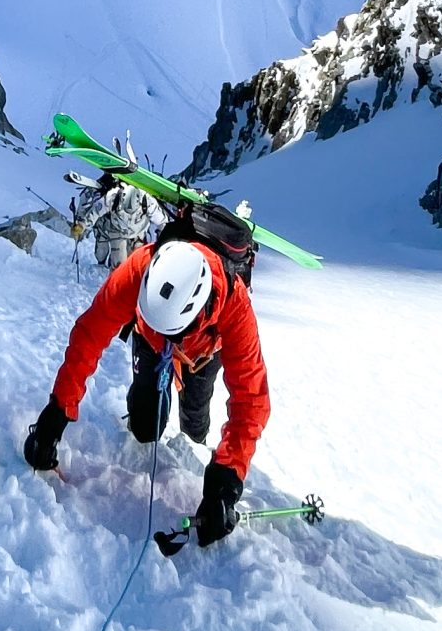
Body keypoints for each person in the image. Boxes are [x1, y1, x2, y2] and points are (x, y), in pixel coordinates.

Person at [22, 220, 269, 546]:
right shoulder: (140, 268)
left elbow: (251, 400)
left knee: (195, 424)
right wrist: (57, 411)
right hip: (150, 344)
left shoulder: (235, 307)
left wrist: (225, 482)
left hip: (204, 356)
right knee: (144, 427)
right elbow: (89, 336)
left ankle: (194, 436)